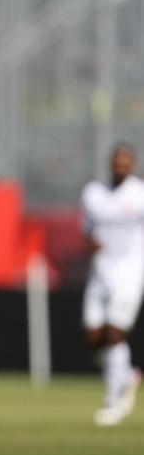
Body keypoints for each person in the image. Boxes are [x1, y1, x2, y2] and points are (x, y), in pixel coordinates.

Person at [81, 142, 144, 426]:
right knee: (95, 339)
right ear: (110, 163)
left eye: (126, 162)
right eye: (117, 162)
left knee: (115, 333)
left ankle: (113, 399)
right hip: (100, 274)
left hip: (129, 274)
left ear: (133, 165)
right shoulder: (93, 194)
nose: (121, 166)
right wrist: (89, 243)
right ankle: (127, 376)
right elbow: (86, 232)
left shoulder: (140, 195)